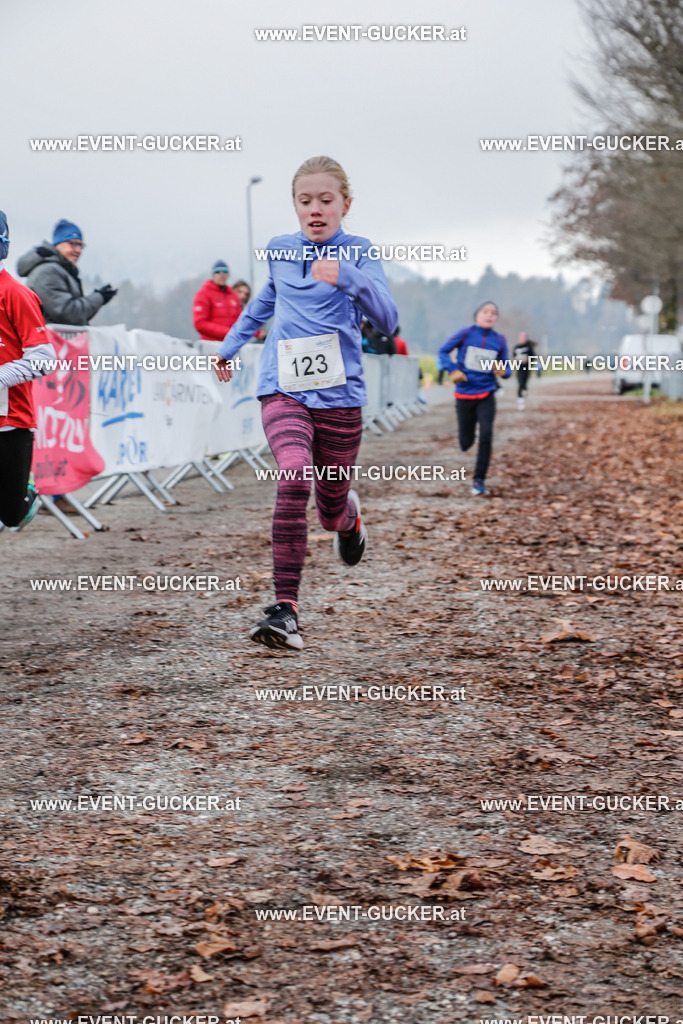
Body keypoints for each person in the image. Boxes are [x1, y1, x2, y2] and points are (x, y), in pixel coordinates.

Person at [214, 155, 398, 650]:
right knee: (293, 473)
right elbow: (265, 302)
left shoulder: (359, 252)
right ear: (294, 206)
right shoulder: (278, 250)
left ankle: (349, 516)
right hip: (283, 388)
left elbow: (388, 320)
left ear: (345, 205)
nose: (315, 209)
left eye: (325, 200)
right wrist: (229, 346)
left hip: (341, 399)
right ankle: (285, 610)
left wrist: (348, 279)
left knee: (329, 510)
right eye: (304, 201)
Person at [0, 210, 57, 530]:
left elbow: (44, 358)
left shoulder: (15, 294)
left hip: (10, 419)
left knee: (11, 515)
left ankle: (26, 495)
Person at [438, 301, 511, 497]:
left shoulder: (500, 340)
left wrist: (503, 371)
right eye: (485, 312)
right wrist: (452, 370)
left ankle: (479, 480)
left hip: (487, 392)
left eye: (494, 313)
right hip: (464, 393)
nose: (490, 315)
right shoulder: (465, 333)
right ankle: (467, 438)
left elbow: (507, 369)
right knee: (466, 441)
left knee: (486, 435)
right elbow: (443, 351)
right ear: (477, 315)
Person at [17, 219, 117, 325]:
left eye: (80, 246)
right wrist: (98, 297)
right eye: (73, 244)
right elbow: (68, 313)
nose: (78, 250)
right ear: (58, 244)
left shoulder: (61, 271)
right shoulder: (47, 272)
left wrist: (99, 297)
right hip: (49, 341)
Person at [192, 260, 242, 341]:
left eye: (225, 271)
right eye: (218, 271)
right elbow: (200, 324)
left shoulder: (233, 295)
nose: (222, 274)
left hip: (231, 344)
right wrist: (228, 332)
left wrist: (257, 332)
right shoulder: (203, 294)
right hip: (210, 345)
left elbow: (241, 320)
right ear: (213, 274)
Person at [512, 331, 535, 410]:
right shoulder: (516, 347)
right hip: (519, 368)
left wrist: (528, 359)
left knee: (524, 383)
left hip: (527, 368)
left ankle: (525, 389)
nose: (522, 339)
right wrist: (515, 360)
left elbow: (533, 357)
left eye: (524, 338)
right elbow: (514, 357)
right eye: (521, 338)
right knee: (520, 383)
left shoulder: (529, 347)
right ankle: (520, 401)